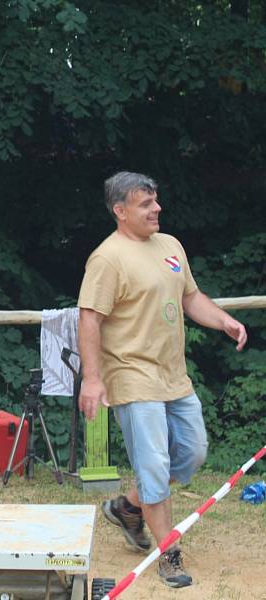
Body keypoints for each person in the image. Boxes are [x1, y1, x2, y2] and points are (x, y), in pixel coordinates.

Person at [77, 171, 247, 589]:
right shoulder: (107, 258)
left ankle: (128, 506)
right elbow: (89, 318)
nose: (157, 209)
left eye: (155, 201)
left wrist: (222, 319)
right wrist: (93, 379)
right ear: (120, 211)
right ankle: (169, 552)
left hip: (174, 375)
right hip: (132, 376)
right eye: (145, 204)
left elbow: (190, 296)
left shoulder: (170, 246)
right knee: (154, 465)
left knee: (191, 455)